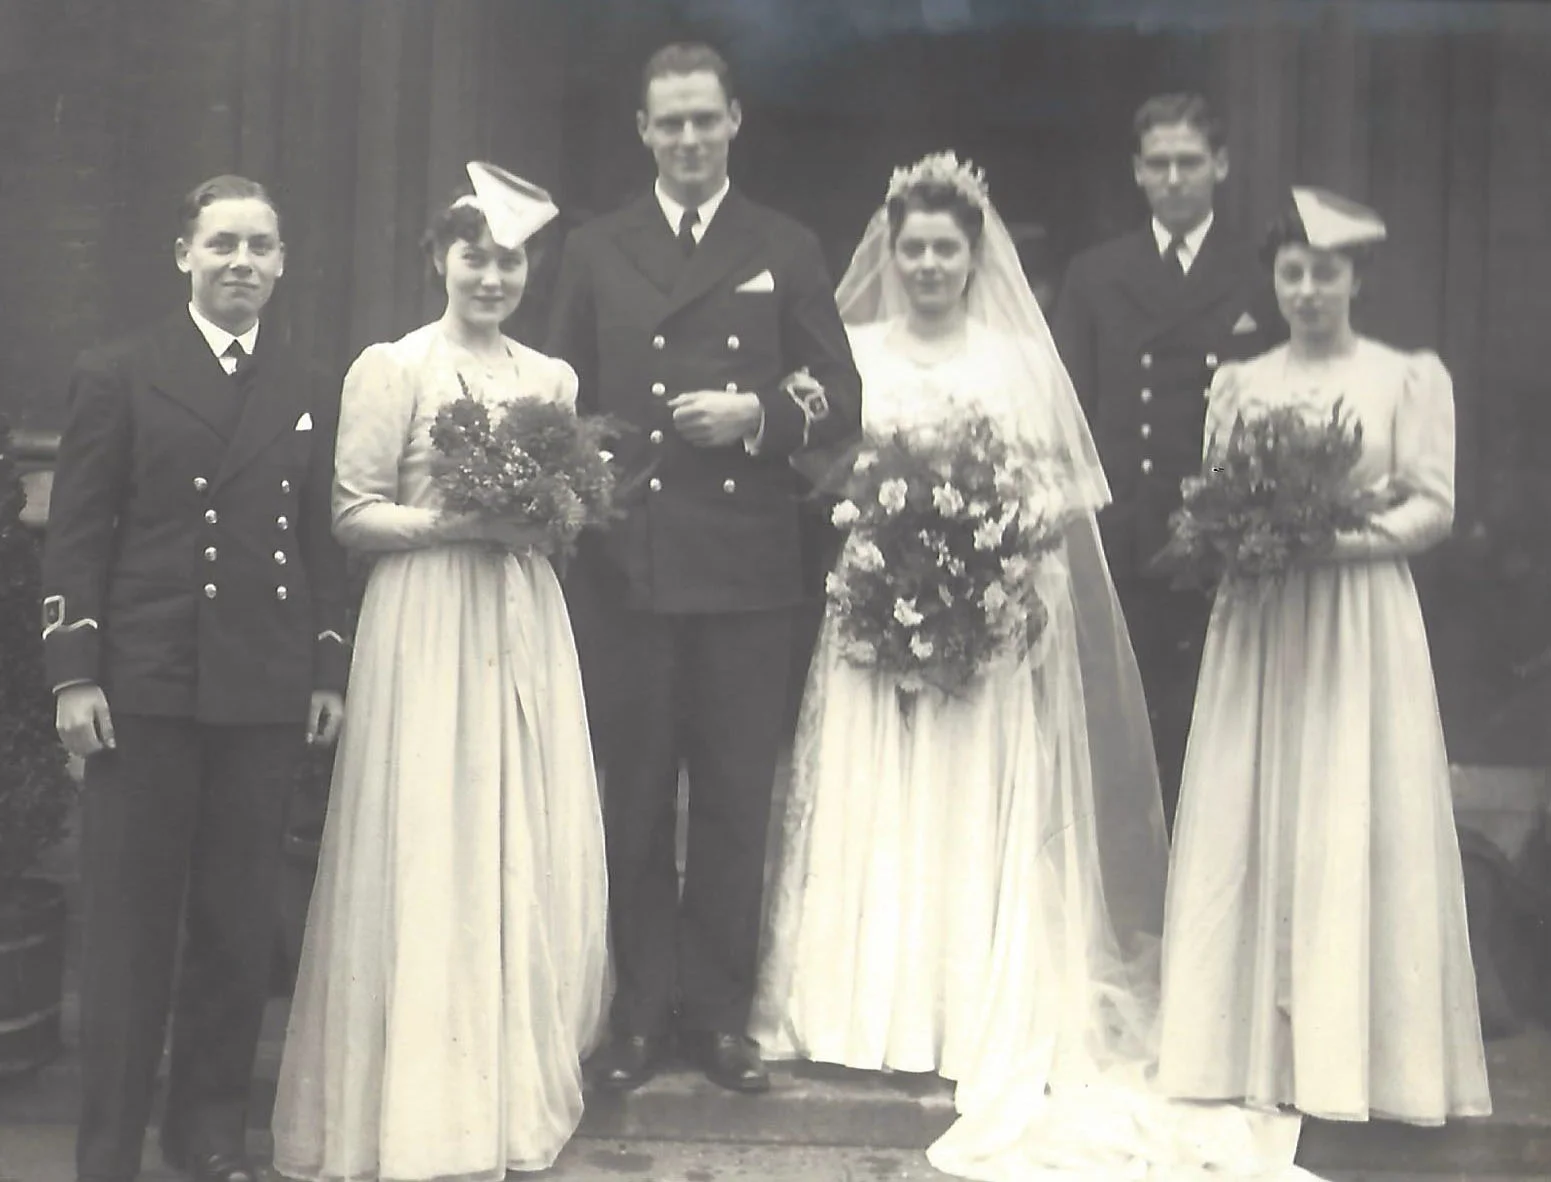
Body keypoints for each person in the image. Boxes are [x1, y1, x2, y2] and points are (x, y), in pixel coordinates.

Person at [270, 163, 609, 1180]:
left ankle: (498, 1093)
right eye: (474, 255)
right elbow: (350, 511)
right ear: (438, 260)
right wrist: (464, 521)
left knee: (511, 827)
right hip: (422, 618)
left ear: (528, 268)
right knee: (426, 834)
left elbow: (568, 515)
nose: (492, 276)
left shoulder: (551, 379)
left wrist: (553, 515)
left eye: (510, 259)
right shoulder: (394, 366)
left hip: (519, 617)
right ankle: (418, 1104)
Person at [546, 41, 861, 1094]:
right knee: (635, 795)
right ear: (643, 132)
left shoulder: (786, 243)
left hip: (747, 566)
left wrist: (758, 414)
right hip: (630, 564)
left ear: (736, 123)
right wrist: (602, 463)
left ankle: (721, 1017)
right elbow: (558, 393)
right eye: (668, 122)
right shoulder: (596, 249)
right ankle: (640, 1015)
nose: (687, 139)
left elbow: (841, 393)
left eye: (704, 120)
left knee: (732, 796)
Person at [1156, 188, 1492, 1126]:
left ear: (1357, 280)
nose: (1306, 290)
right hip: (1260, 616)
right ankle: (1233, 1049)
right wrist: (1249, 535)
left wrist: (1327, 542)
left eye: (1325, 273)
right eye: (1290, 272)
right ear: (1273, 279)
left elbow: (1432, 505)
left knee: (1349, 803)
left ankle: (1356, 1062)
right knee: (1250, 800)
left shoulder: (1404, 377)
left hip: (1357, 615)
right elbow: (1213, 496)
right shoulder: (1241, 381)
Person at [41, 175, 350, 1182]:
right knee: (129, 937)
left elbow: (317, 543)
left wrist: (324, 667)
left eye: (262, 246)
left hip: (259, 693)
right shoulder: (120, 371)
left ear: (283, 264)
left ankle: (207, 1136)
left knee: (233, 924)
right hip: (145, 687)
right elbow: (80, 533)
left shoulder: (308, 382)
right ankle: (108, 1152)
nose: (243, 263)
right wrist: (74, 673)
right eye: (223, 244)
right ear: (184, 254)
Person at [1052, 92, 1283, 824]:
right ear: (1137, 173)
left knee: (1213, 736)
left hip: (1223, 546)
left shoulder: (1262, 272)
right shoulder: (1094, 274)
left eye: (1190, 162)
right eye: (1159, 164)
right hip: (1123, 536)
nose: (1175, 177)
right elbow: (1067, 410)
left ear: (1219, 165)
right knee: (1122, 734)